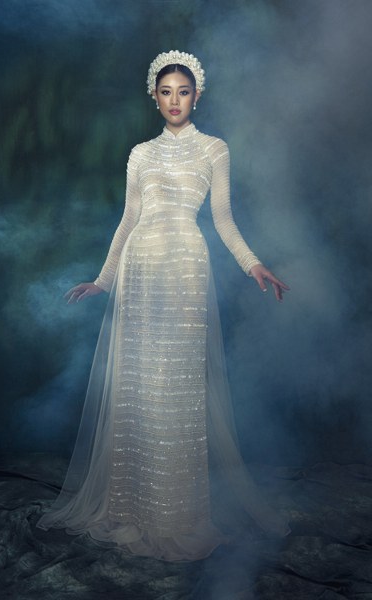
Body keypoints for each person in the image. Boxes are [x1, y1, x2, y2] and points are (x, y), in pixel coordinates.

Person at [37, 50, 290, 561]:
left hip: (185, 271)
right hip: (139, 270)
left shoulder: (214, 149)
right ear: (154, 97)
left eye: (184, 92)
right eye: (166, 92)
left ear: (198, 96)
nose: (175, 100)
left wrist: (253, 264)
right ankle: (134, 510)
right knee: (137, 388)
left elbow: (223, 218)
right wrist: (103, 279)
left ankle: (175, 515)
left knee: (176, 389)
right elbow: (128, 218)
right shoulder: (140, 153)